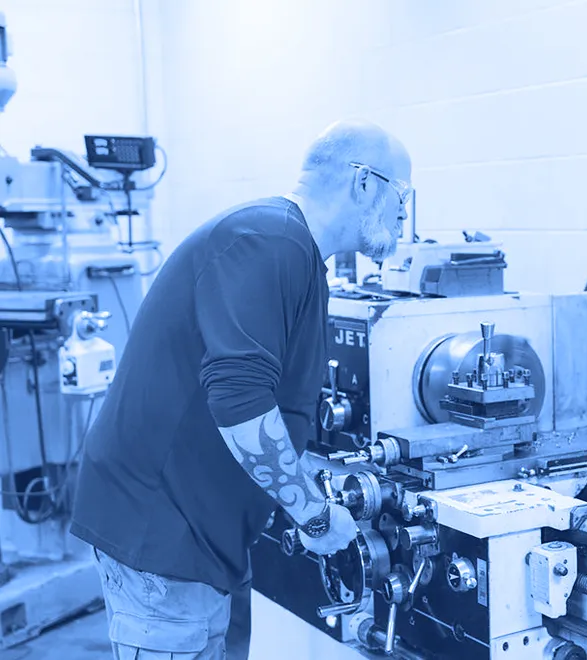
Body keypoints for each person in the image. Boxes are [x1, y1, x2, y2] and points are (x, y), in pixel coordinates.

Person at [70, 119, 413, 659]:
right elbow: (241, 401)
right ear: (363, 182)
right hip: (162, 530)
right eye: (402, 195)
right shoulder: (268, 242)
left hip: (203, 531)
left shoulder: (295, 254)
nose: (403, 213)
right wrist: (314, 514)